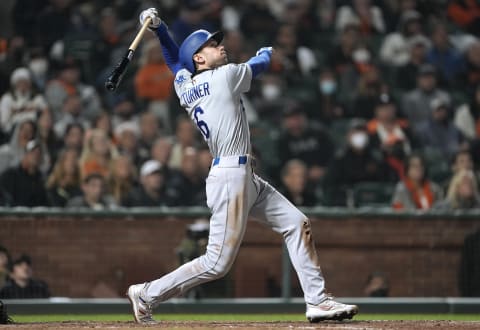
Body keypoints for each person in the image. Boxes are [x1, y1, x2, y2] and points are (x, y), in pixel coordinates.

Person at [126, 8, 358, 325]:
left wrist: (161, 29)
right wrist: (265, 52)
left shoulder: (186, 86)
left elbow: (174, 62)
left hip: (242, 175)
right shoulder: (224, 76)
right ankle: (147, 293)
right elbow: (260, 65)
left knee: (296, 223)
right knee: (217, 263)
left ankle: (317, 301)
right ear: (200, 59)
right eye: (210, 44)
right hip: (230, 177)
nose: (218, 45)